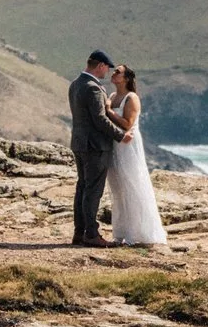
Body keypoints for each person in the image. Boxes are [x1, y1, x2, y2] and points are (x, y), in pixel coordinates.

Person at [105, 64, 168, 247]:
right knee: (117, 189)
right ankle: (120, 232)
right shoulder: (112, 96)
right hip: (114, 146)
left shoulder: (131, 98)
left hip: (128, 145)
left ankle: (138, 233)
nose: (114, 73)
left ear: (126, 78)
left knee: (132, 184)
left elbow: (127, 124)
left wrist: (109, 111)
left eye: (118, 72)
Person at [67, 49, 119, 247]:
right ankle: (91, 233)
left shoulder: (75, 84)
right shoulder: (93, 88)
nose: (107, 72)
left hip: (79, 143)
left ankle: (79, 232)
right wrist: (121, 136)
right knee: (92, 190)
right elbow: (99, 119)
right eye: (106, 68)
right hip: (95, 145)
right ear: (100, 66)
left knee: (82, 187)